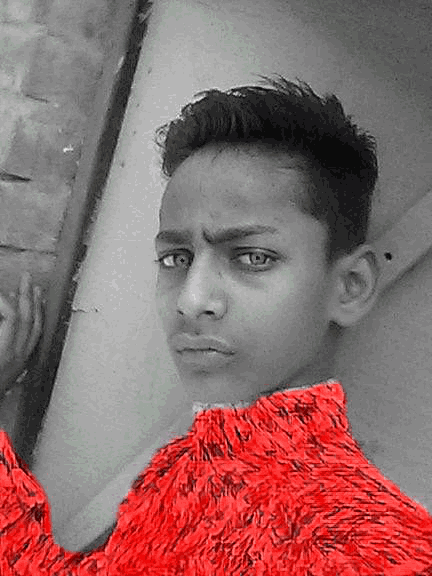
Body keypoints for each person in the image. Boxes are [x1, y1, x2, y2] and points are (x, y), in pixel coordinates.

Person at [1, 76, 432, 575]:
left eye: (253, 257)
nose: (191, 300)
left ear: (351, 286)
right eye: (176, 258)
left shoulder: (363, 545)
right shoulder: (190, 465)